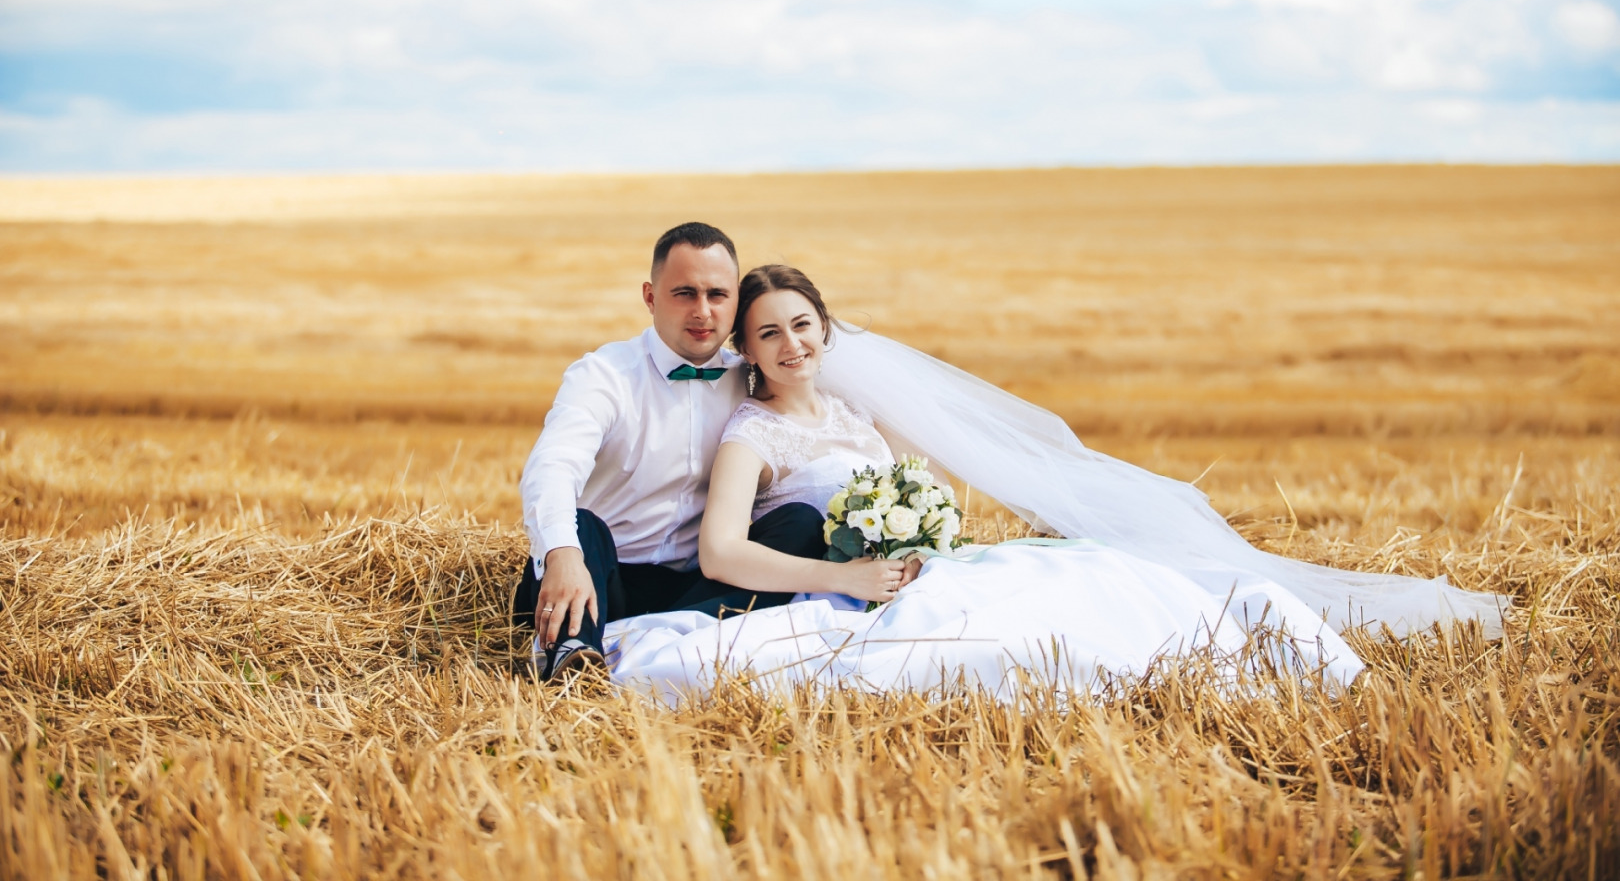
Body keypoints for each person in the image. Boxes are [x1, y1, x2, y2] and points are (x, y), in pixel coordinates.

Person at [600, 265, 1508, 700]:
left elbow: (937, 481)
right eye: (768, 334)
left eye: (801, 325)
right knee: (1031, 637)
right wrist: (846, 577)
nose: (791, 345)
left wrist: (928, 526)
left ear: (824, 329)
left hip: (925, 566)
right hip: (855, 591)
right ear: (746, 350)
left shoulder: (858, 417)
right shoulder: (752, 433)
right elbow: (723, 549)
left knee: (1106, 574)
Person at [512, 225, 829, 679]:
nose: (703, 312)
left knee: (800, 521)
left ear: (736, 300)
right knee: (581, 526)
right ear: (650, 296)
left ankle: (669, 644)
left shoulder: (757, 373)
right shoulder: (604, 374)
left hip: (701, 587)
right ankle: (574, 655)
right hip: (603, 576)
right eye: (684, 293)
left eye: (717, 294)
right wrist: (563, 555)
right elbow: (553, 466)